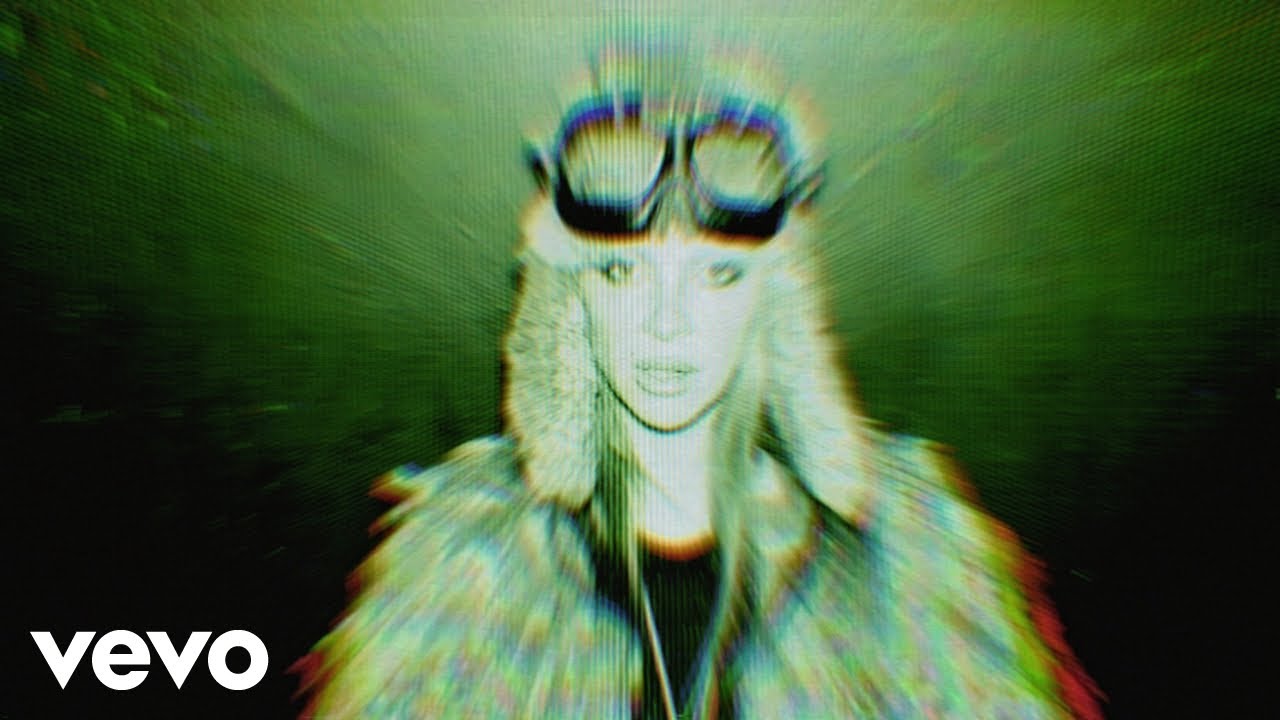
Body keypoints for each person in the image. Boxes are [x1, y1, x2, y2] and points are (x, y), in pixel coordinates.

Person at [295, 51, 1102, 719]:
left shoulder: (907, 577)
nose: (667, 323)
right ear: (569, 301)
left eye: (719, 275)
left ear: (774, 302)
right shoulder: (462, 579)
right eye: (621, 273)